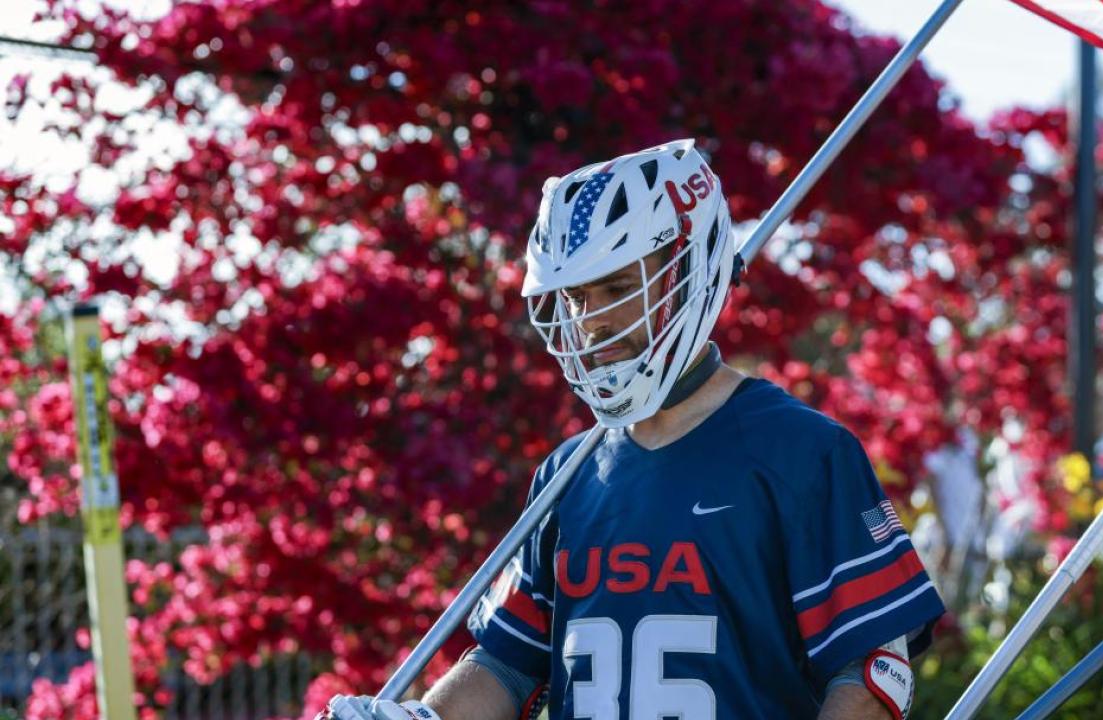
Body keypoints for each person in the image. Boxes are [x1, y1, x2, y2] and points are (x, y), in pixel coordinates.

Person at [322, 140, 946, 720]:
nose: (590, 323)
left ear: (687, 274)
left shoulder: (804, 453)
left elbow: (872, 671)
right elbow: (508, 666)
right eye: (573, 298)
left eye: (617, 287)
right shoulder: (566, 476)